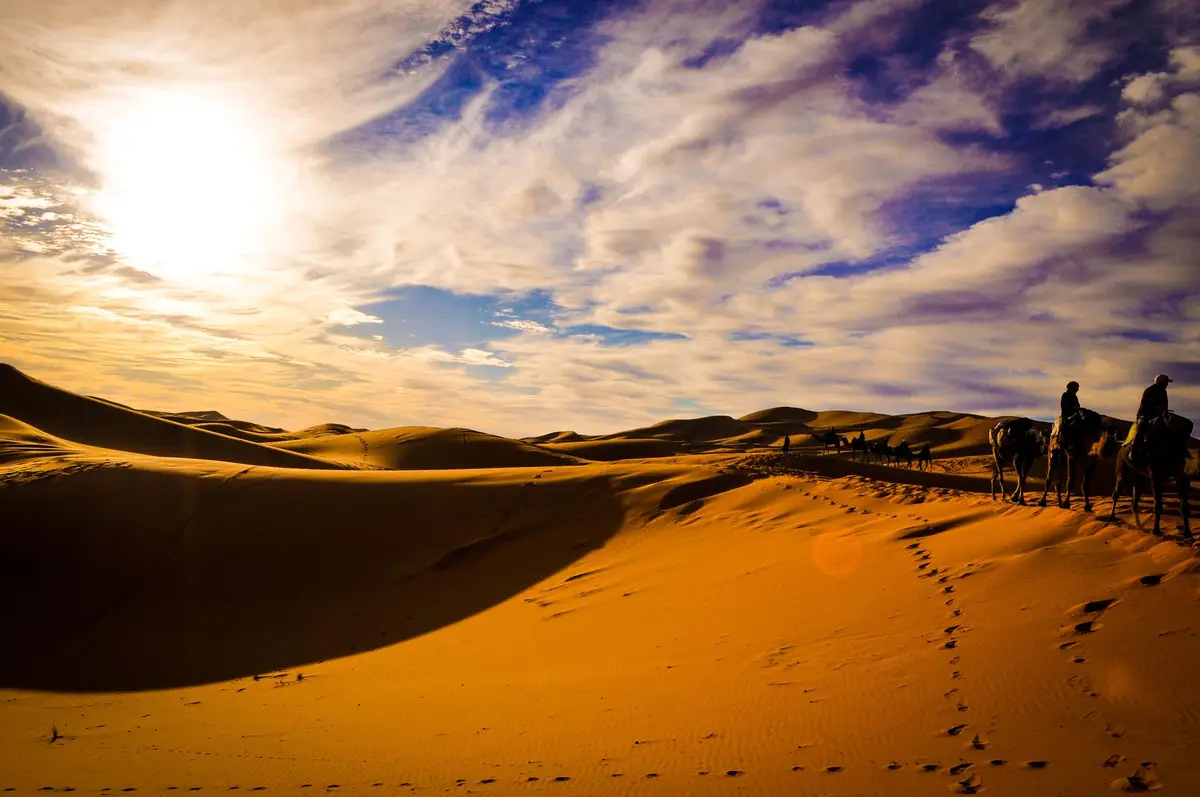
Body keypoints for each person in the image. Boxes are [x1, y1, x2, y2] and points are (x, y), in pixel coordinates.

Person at [1129, 374, 1172, 464]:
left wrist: (1165, 412)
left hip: (1159, 415)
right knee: (1140, 431)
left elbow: (1165, 405)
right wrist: (1157, 408)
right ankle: (1133, 452)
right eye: (1165, 383)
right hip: (1145, 415)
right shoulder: (1149, 390)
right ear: (1161, 383)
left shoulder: (1164, 392)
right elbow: (1145, 405)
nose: (1167, 385)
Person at [1050, 381, 1081, 449]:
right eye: (1076, 388)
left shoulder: (1075, 397)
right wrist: (1073, 409)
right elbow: (1065, 406)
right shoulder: (1065, 395)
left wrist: (1078, 409)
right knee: (1063, 426)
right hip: (1066, 415)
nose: (1077, 390)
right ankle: (1058, 441)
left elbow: (1077, 405)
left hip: (1074, 414)